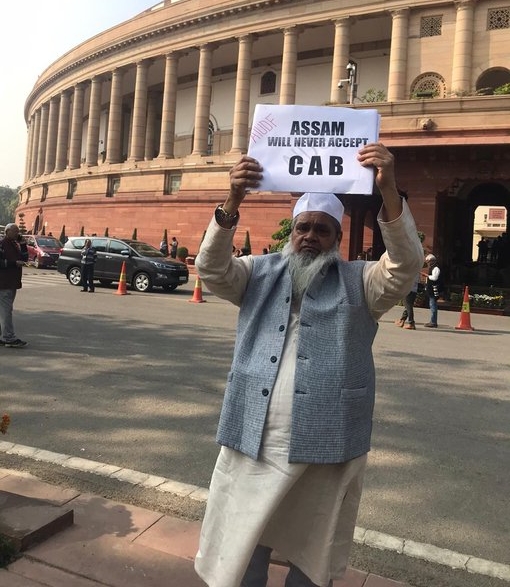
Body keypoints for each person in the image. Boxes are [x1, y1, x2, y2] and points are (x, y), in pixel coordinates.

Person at [194, 142, 423, 587]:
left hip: (327, 444)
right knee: (244, 540)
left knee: (314, 548)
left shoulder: (362, 283)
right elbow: (211, 267)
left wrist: (389, 192)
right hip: (253, 436)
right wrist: (233, 199)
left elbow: (406, 263)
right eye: (303, 227)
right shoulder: (257, 271)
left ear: (337, 240)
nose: (310, 236)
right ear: (290, 232)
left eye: (322, 229)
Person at [0, 223, 29, 348]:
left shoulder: (14, 244)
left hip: (12, 282)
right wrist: (14, 263)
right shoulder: (2, 244)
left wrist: (23, 244)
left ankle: (4, 336)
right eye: (15, 231)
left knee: (4, 310)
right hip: (4, 282)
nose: (17, 233)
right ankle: (8, 337)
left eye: (18, 231)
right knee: (7, 311)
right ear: (7, 232)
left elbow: (25, 258)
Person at [423, 253, 443, 328]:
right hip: (431, 289)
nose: (428, 263)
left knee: (433, 305)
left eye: (428, 262)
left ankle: (433, 322)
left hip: (434, 290)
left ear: (432, 261)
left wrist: (427, 276)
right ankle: (432, 321)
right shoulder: (432, 268)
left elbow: (434, 278)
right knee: (432, 305)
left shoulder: (436, 268)